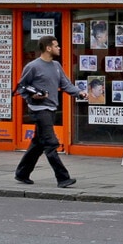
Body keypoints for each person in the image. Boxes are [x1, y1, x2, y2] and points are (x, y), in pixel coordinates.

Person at [14, 40, 86, 188]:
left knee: (38, 143)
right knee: (50, 143)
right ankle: (63, 178)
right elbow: (21, 88)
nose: (59, 48)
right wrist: (32, 96)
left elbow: (65, 84)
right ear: (48, 48)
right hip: (39, 110)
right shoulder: (33, 66)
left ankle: (22, 173)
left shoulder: (56, 66)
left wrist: (79, 93)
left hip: (51, 108)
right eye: (56, 46)